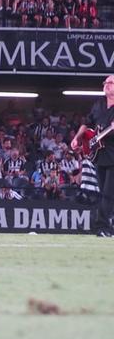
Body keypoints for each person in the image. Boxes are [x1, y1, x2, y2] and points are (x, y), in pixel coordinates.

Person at [71, 75, 114, 237]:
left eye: (110, 83)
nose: (106, 85)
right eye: (105, 83)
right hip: (99, 154)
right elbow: (87, 124)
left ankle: (102, 227)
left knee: (109, 193)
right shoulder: (99, 104)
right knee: (104, 193)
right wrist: (77, 138)